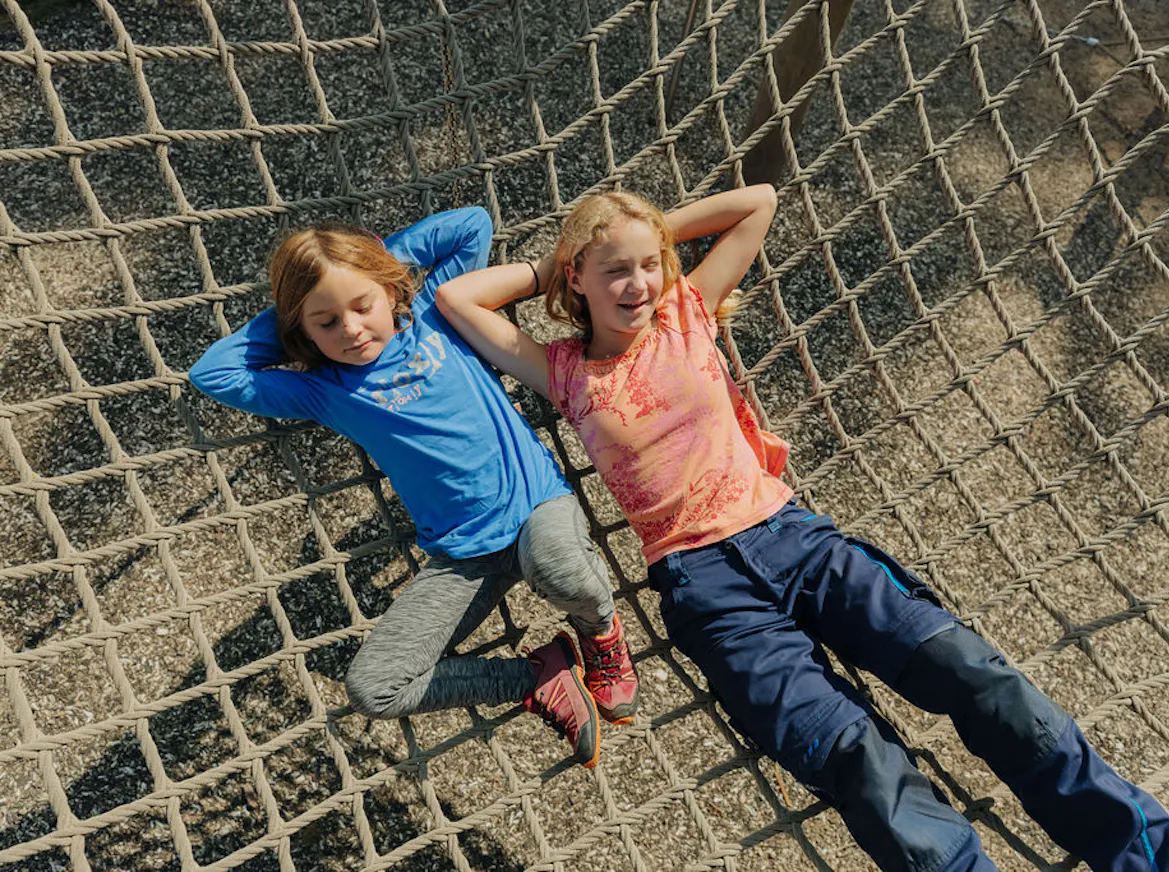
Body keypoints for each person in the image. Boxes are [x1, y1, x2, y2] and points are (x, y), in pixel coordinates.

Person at [434, 186, 1169, 871]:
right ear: (577, 282)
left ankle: (1140, 847)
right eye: (613, 271)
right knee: (856, 758)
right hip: (707, 591)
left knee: (975, 676)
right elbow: (455, 295)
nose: (637, 284)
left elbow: (757, 203)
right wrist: (555, 263)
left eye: (648, 264)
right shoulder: (561, 370)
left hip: (795, 540)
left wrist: (650, 235)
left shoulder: (687, 311)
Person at [189, 207, 640, 770]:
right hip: (465, 555)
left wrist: (373, 267)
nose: (351, 329)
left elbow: (471, 225)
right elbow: (214, 373)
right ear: (301, 330)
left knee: (559, 569)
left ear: (388, 292)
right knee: (375, 688)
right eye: (325, 323)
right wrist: (300, 298)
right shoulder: (323, 390)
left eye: (362, 306)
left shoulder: (436, 315)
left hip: (533, 505)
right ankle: (538, 676)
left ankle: (600, 632)